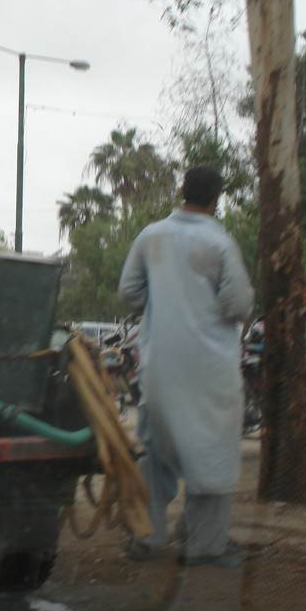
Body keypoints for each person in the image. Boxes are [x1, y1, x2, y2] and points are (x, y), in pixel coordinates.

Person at [118, 166, 254, 568]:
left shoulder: (151, 235)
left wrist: (167, 306)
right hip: (210, 370)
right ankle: (205, 546)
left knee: (155, 453)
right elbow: (239, 304)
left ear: (182, 191)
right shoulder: (220, 242)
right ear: (217, 198)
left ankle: (146, 536)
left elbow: (129, 292)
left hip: (159, 368)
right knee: (212, 451)